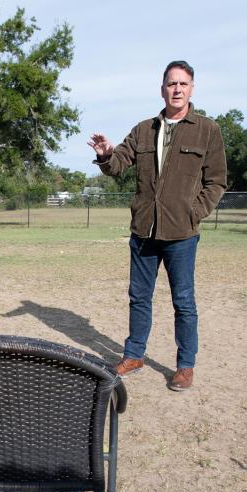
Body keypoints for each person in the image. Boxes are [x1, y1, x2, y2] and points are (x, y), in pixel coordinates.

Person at [88, 60, 227, 391]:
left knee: (183, 301)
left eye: (183, 84)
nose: (176, 89)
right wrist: (107, 154)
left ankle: (185, 365)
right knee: (139, 297)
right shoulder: (143, 129)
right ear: (162, 88)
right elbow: (117, 164)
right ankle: (134, 355)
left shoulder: (207, 130)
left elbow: (217, 180)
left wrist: (195, 211)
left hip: (182, 233)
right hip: (144, 232)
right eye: (171, 83)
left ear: (191, 89)